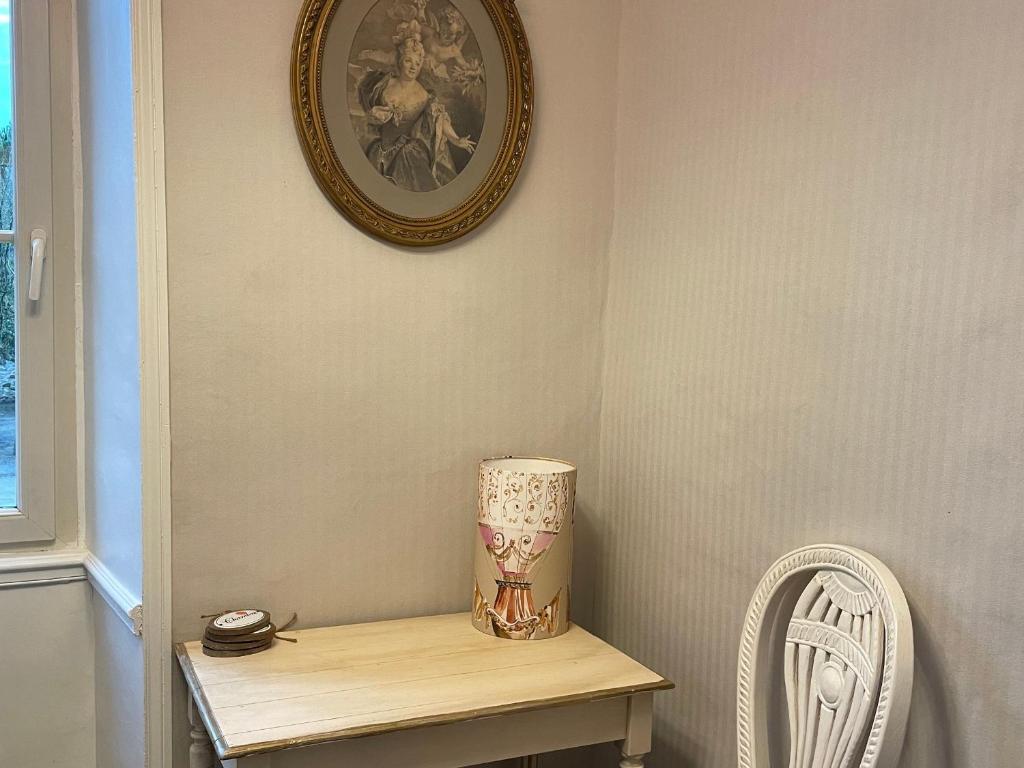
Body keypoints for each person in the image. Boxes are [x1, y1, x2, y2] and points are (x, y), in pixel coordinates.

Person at [358, 26, 476, 192]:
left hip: (405, 156)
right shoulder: (384, 83)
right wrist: (373, 115)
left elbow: (439, 118)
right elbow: (369, 110)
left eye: (418, 63)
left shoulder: (423, 95)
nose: (413, 67)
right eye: (409, 61)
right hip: (378, 149)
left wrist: (456, 140)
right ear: (400, 60)